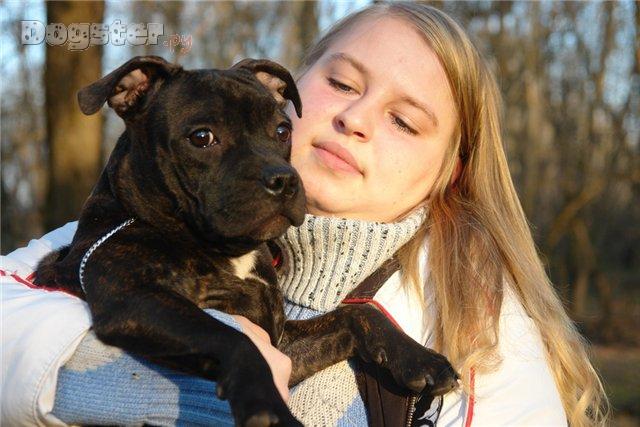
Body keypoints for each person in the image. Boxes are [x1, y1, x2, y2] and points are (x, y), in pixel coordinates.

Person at [1, 3, 607, 426]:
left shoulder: (482, 326)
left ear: (452, 171)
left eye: (403, 121)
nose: (355, 118)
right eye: (341, 84)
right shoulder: (121, 232)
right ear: (295, 89)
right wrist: (134, 384)